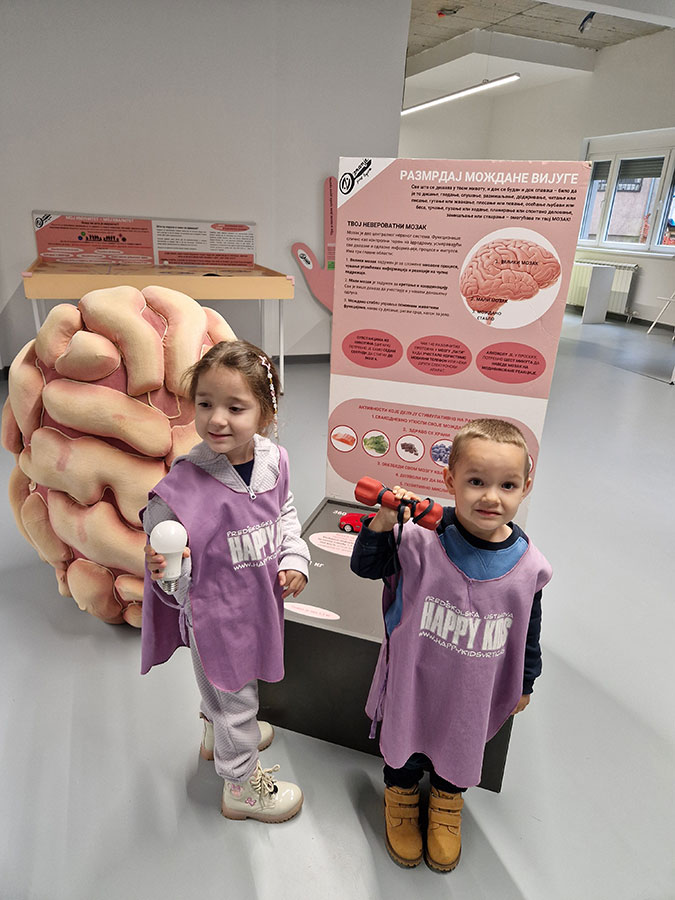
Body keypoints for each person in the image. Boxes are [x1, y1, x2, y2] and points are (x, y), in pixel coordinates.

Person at [350, 418, 552, 872]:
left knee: (460, 741)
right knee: (405, 735)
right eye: (476, 481)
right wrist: (384, 520)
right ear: (449, 479)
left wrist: (526, 680)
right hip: (415, 674)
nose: (491, 497)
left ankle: (446, 801)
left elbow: (528, 627)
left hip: (473, 685)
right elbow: (366, 567)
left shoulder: (529, 566)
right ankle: (400, 794)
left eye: (507, 485)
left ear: (526, 487)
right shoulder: (419, 538)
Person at [141, 340, 310, 824]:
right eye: (205, 404)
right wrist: (170, 571)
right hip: (215, 613)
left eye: (235, 408)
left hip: (257, 603)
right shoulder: (182, 485)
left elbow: (284, 512)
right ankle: (241, 785)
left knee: (230, 687)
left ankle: (218, 733)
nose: (217, 419)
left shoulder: (274, 460)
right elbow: (163, 552)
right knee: (236, 695)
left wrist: (294, 555)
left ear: (265, 414)